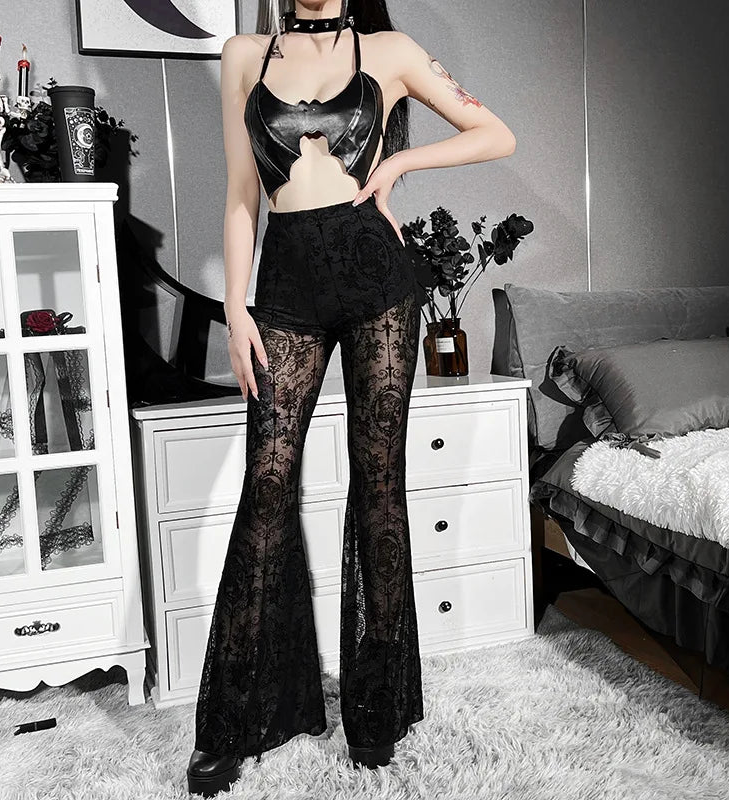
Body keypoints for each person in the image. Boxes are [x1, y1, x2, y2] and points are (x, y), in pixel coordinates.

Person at [187, 1, 516, 795]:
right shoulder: (243, 55)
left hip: (377, 282)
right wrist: (235, 307)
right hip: (286, 286)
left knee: (377, 489)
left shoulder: (390, 50)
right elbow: (242, 194)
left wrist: (399, 167)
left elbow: (495, 134)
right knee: (267, 486)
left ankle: (375, 714)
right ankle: (234, 723)